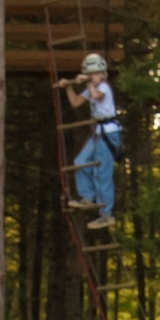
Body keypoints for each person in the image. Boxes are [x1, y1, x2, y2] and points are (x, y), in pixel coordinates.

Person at [58, 54, 122, 230]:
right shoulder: (93, 86)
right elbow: (76, 102)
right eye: (90, 74)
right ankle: (87, 197)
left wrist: (87, 82)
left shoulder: (103, 88)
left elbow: (97, 96)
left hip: (109, 133)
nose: (93, 77)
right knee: (80, 162)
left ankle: (106, 214)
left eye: (95, 74)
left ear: (102, 74)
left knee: (102, 173)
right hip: (98, 133)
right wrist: (69, 87)